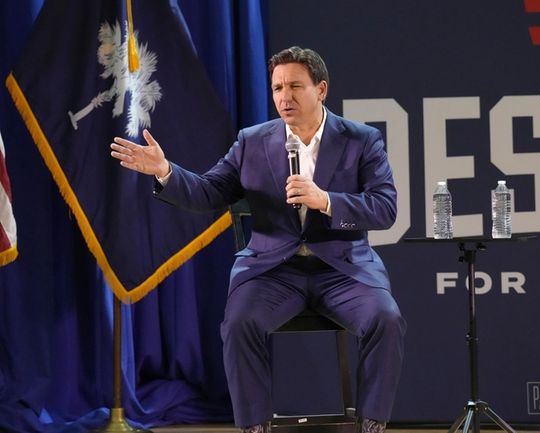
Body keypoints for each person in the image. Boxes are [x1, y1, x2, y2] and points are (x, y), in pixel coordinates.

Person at [110, 46, 406, 433]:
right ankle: (255, 427)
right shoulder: (252, 141)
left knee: (386, 318)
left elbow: (384, 208)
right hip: (273, 271)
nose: (285, 97)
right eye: (278, 87)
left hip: (342, 269)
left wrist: (326, 201)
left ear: (321, 89)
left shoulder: (361, 140)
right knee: (238, 323)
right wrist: (166, 171)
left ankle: (372, 424)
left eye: (295, 86)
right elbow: (210, 192)